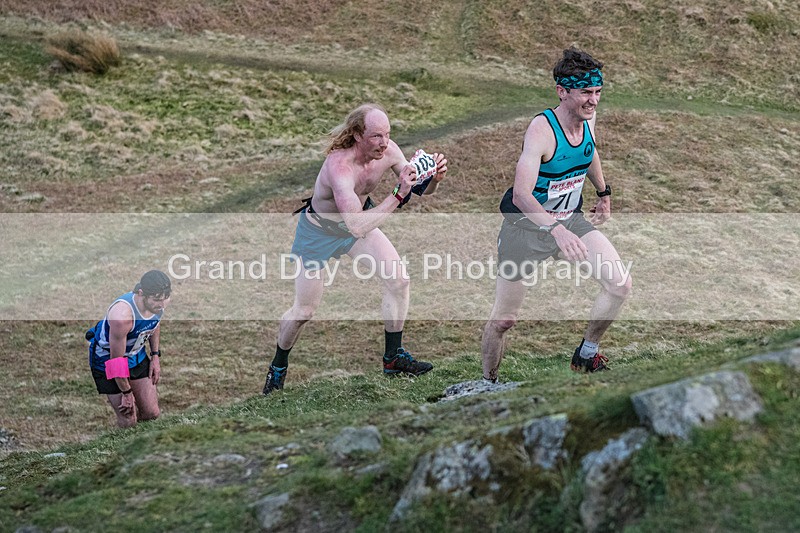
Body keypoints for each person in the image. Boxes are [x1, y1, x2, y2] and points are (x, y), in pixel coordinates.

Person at [263, 103, 448, 394]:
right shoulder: (339, 167)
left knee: (399, 281)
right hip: (319, 233)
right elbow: (357, 225)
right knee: (304, 310)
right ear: (357, 135)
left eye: (387, 134)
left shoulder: (388, 151)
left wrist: (433, 179)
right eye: (376, 136)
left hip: (356, 225)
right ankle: (277, 369)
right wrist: (398, 193)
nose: (384, 143)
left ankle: (393, 358)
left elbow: (420, 190)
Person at [482, 48, 632, 381]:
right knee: (505, 319)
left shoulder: (588, 117)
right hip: (526, 228)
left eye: (597, 93)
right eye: (585, 93)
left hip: (569, 220)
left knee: (619, 284)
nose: (593, 101)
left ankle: (586, 355)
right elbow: (521, 195)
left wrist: (603, 193)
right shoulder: (541, 130)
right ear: (562, 92)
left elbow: (589, 151)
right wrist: (556, 230)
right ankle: (487, 385)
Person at [86, 270, 171, 427]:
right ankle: (127, 448)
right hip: (107, 359)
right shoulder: (122, 316)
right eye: (157, 300)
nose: (162, 304)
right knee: (129, 417)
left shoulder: (157, 304)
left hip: (135, 354)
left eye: (165, 299)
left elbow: (153, 324)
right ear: (141, 293)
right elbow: (116, 361)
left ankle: (146, 445)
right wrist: (126, 393)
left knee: (152, 413)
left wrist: (155, 356)